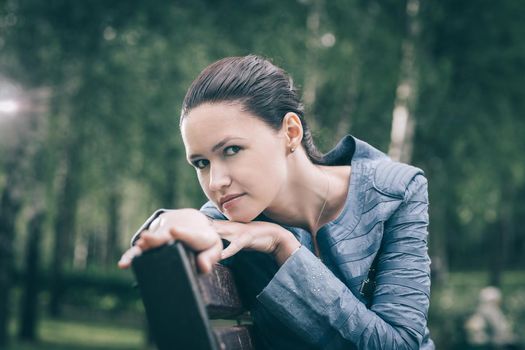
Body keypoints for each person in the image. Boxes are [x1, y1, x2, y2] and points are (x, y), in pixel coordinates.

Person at [119, 55, 434, 349]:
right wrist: (177, 222)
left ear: (290, 133)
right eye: (201, 163)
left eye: (231, 150)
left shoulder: (396, 191)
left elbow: (401, 342)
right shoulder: (231, 220)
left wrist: (282, 244)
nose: (215, 182)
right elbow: (195, 225)